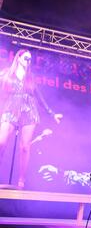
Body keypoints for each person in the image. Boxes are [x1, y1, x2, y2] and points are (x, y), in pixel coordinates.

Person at [0, 48, 62, 188]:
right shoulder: (7, 74)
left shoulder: (30, 77)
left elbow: (39, 97)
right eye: (26, 58)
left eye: (30, 59)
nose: (28, 61)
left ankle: (21, 181)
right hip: (11, 108)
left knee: (25, 147)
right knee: (1, 142)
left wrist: (51, 113)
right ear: (18, 58)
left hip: (29, 110)